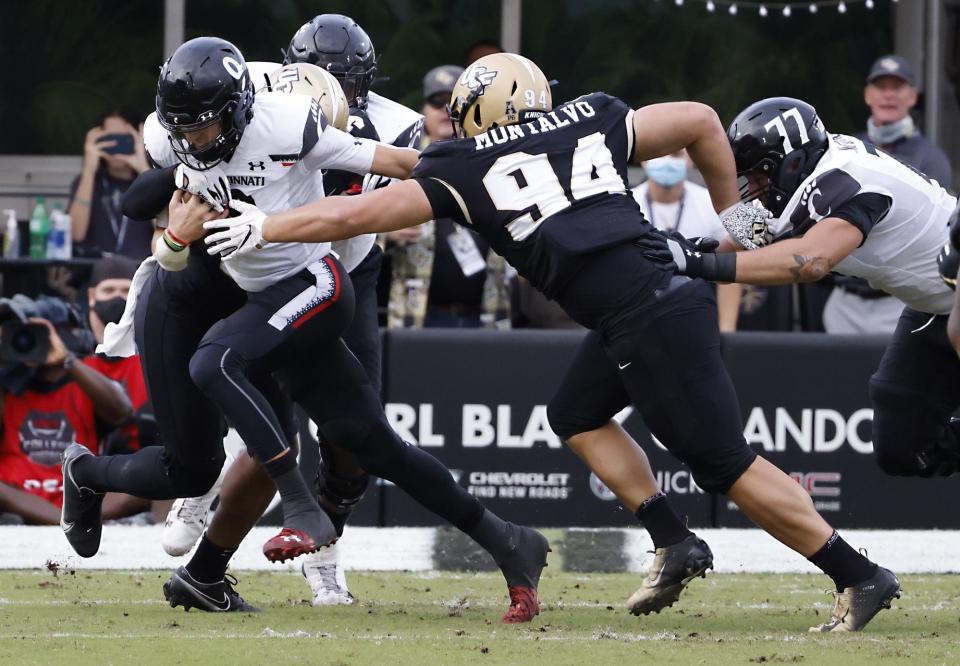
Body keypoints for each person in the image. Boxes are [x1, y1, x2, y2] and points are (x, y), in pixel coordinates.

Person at [206, 53, 899, 632]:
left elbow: (354, 212)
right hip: (653, 299)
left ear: (474, 114)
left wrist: (265, 228)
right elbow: (699, 120)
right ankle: (674, 538)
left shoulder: (462, 167)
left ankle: (858, 574)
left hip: (646, 312)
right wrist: (737, 216)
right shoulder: (590, 116)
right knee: (575, 415)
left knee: (725, 465)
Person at [63, 37, 550, 624]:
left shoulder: (294, 124)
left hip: (298, 279)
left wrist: (484, 178)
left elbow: (400, 165)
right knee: (188, 467)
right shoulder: (175, 132)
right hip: (191, 289)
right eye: (183, 131)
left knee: (363, 435)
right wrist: (176, 228)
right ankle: (86, 475)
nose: (195, 141)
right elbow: (154, 227)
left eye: (205, 127)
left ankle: (506, 540)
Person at [644, 96, 954, 566]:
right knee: (901, 445)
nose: (757, 190)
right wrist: (693, 248)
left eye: (762, 178)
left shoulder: (846, 181)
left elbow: (811, 259)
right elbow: (760, 235)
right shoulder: (814, 172)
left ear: (790, 163)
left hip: (953, 291)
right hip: (934, 302)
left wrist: (701, 264)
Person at [822, 55, 954, 336]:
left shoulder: (930, 158)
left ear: (912, 97)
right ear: (868, 95)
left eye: (897, 87)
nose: (888, 95)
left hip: (898, 300)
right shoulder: (847, 147)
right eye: (881, 86)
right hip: (845, 300)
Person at [385, 64, 512, 329]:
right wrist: (387, 234)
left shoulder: (494, 160)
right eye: (436, 100)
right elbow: (354, 225)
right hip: (420, 314)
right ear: (423, 109)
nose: (445, 110)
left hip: (488, 314)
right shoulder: (398, 161)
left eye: (454, 102)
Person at [0, 295, 143, 524]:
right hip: (17, 504)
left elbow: (123, 413)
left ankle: (72, 521)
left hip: (82, 499)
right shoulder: (7, 387)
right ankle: (65, 522)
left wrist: (67, 360)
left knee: (157, 475)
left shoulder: (86, 378)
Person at [633, 150, 741, 331]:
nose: (666, 161)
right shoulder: (626, 204)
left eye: (675, 154)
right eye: (657, 153)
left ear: (691, 159)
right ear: (643, 160)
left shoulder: (712, 204)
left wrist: (726, 331)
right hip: (638, 319)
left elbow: (730, 266)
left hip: (698, 316)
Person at [67, 110, 154, 260]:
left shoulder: (150, 182)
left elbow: (171, 229)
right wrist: (88, 170)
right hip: (96, 273)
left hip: (143, 273)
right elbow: (75, 234)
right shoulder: (86, 183)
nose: (115, 144)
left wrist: (143, 168)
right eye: (109, 138)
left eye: (123, 139)